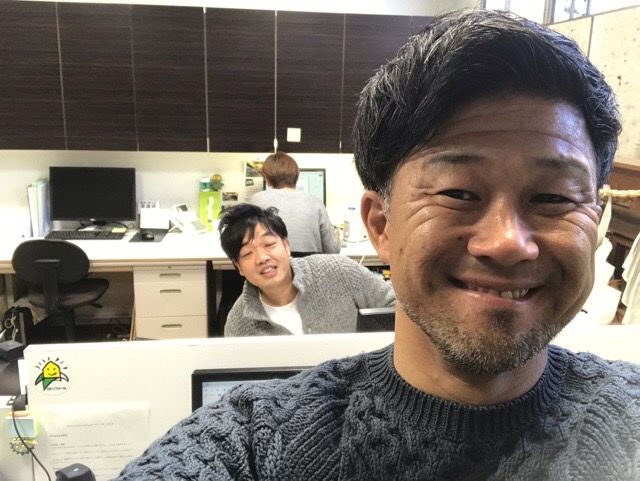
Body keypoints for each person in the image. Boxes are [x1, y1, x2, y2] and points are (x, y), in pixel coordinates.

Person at [113, 10, 639, 480]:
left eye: (553, 197)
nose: (507, 242)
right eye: (459, 193)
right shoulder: (255, 440)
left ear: (594, 219)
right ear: (382, 226)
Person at [219, 203, 394, 336]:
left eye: (269, 244)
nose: (262, 258)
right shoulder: (239, 324)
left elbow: (395, 305)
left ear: (286, 246)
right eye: (247, 253)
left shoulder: (339, 270)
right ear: (238, 267)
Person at [250, 151, 341, 254]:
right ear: (296, 176)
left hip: (273, 263)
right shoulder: (315, 201)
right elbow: (333, 250)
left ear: (268, 179)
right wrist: (336, 235)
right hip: (310, 264)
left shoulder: (256, 200)